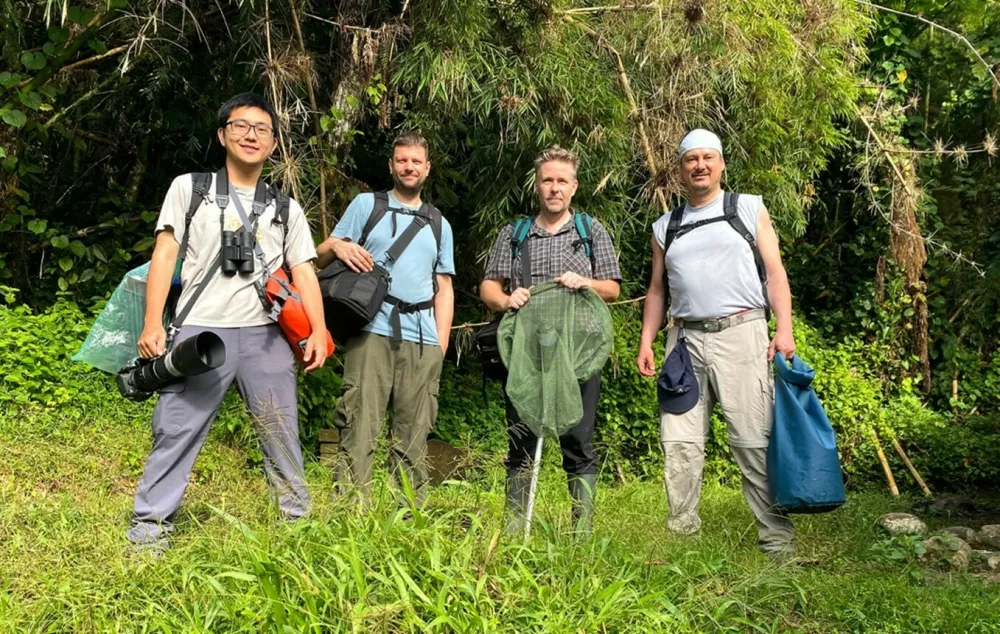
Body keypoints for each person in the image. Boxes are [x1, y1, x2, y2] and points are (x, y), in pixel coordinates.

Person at [128, 93, 329, 550]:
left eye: (262, 129)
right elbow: (165, 253)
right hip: (201, 332)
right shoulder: (190, 189)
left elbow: (304, 273)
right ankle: (149, 531)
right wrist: (152, 322)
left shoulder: (285, 207)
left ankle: (297, 527)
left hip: (265, 339)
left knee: (281, 431)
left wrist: (318, 329)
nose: (251, 135)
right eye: (241, 126)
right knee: (177, 428)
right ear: (223, 135)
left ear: (274, 143)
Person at [636, 129, 796, 558]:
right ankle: (681, 540)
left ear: (722, 163)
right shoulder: (664, 226)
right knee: (679, 444)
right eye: (691, 159)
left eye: (708, 157)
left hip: (743, 334)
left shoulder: (747, 208)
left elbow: (775, 273)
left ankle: (777, 542)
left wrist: (784, 328)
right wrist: (647, 340)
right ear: (680, 169)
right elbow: (656, 290)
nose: (700, 165)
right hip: (683, 342)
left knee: (752, 441)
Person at [481, 146, 621, 534]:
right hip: (526, 356)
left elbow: (612, 288)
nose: (554, 188)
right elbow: (488, 287)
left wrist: (586, 283)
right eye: (547, 180)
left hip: (579, 357)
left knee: (577, 443)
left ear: (574, 187)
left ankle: (582, 536)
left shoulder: (591, 231)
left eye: (562, 181)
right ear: (537, 186)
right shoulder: (515, 234)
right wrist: (507, 299)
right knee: (521, 442)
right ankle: (513, 531)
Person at [316, 132, 455, 508]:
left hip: (423, 338)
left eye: (416, 161)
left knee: (414, 435)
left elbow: (444, 287)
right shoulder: (366, 205)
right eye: (402, 160)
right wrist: (337, 244)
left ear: (427, 168)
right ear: (391, 165)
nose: (408, 167)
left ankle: (409, 522)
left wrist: (440, 347)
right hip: (370, 331)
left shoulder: (439, 223)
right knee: (358, 426)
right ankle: (349, 517)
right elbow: (319, 258)